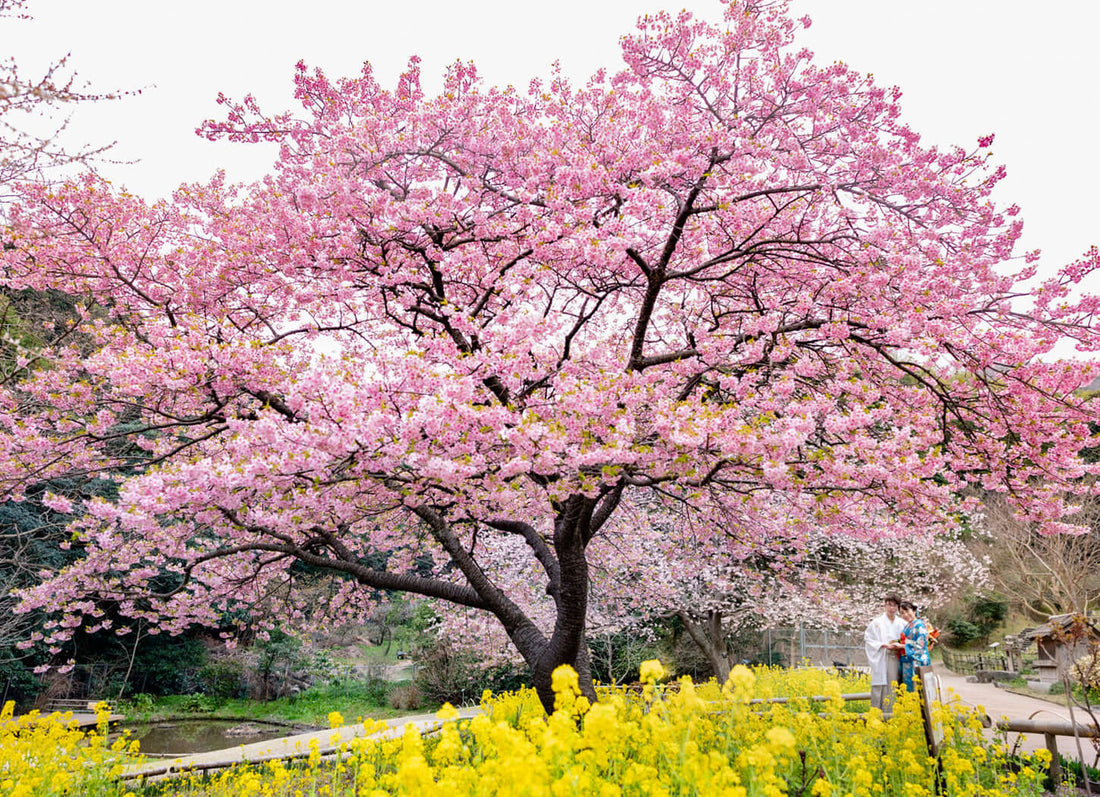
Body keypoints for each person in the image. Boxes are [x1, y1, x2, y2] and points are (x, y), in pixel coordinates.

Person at [863, 594, 906, 712]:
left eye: (895, 606)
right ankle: (877, 713)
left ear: (898, 607)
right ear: (884, 605)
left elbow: (906, 640)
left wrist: (899, 646)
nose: (892, 608)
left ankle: (891, 714)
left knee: (893, 684)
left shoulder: (902, 623)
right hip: (882, 655)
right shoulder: (877, 622)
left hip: (895, 657)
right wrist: (882, 645)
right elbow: (869, 639)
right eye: (889, 605)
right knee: (879, 684)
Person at [898, 600, 932, 691]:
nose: (905, 614)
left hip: (916, 661)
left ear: (913, 611)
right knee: (908, 689)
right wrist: (903, 645)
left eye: (907, 611)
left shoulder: (919, 625)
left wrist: (903, 646)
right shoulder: (907, 626)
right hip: (907, 662)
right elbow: (909, 642)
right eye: (902, 613)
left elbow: (921, 644)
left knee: (918, 689)